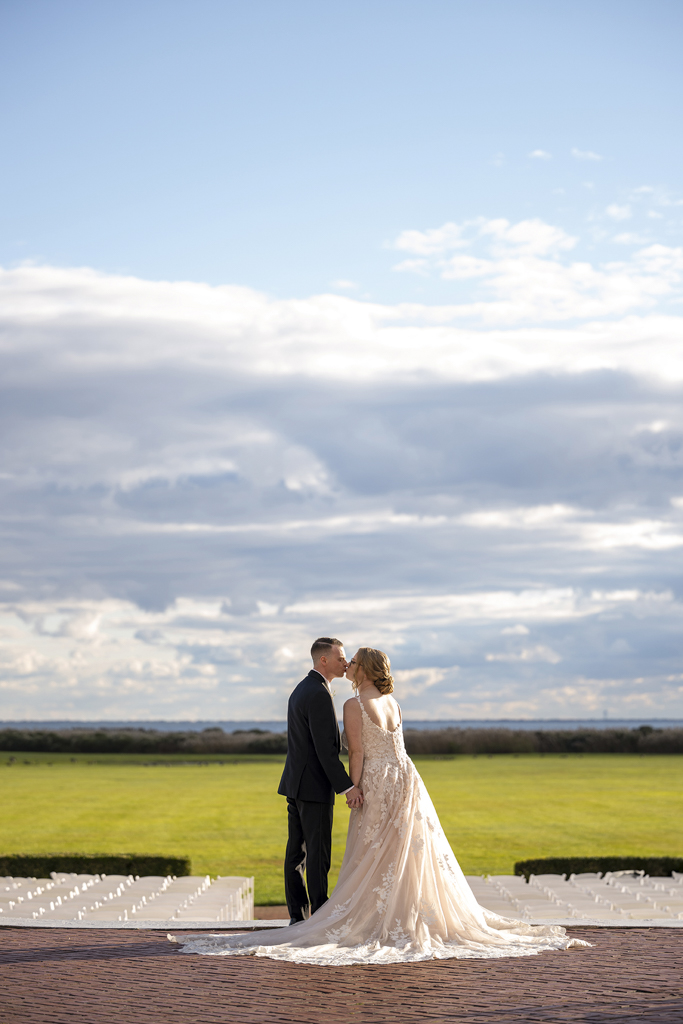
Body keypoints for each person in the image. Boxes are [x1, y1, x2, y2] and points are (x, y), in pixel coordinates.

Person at [172, 647, 590, 965]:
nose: (347, 665)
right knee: (406, 852)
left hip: (375, 780)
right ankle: (406, 913)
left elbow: (356, 753)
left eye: (352, 661)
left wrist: (353, 788)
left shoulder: (353, 705)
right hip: (407, 779)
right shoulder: (395, 704)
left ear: (363, 670)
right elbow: (397, 747)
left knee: (374, 851)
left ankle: (369, 917)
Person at [276, 637, 363, 924]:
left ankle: (298, 918)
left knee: (296, 854)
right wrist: (348, 786)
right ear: (323, 660)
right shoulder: (318, 693)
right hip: (313, 787)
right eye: (340, 657)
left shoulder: (303, 689)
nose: (345, 662)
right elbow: (325, 751)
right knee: (317, 855)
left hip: (296, 784)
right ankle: (319, 920)